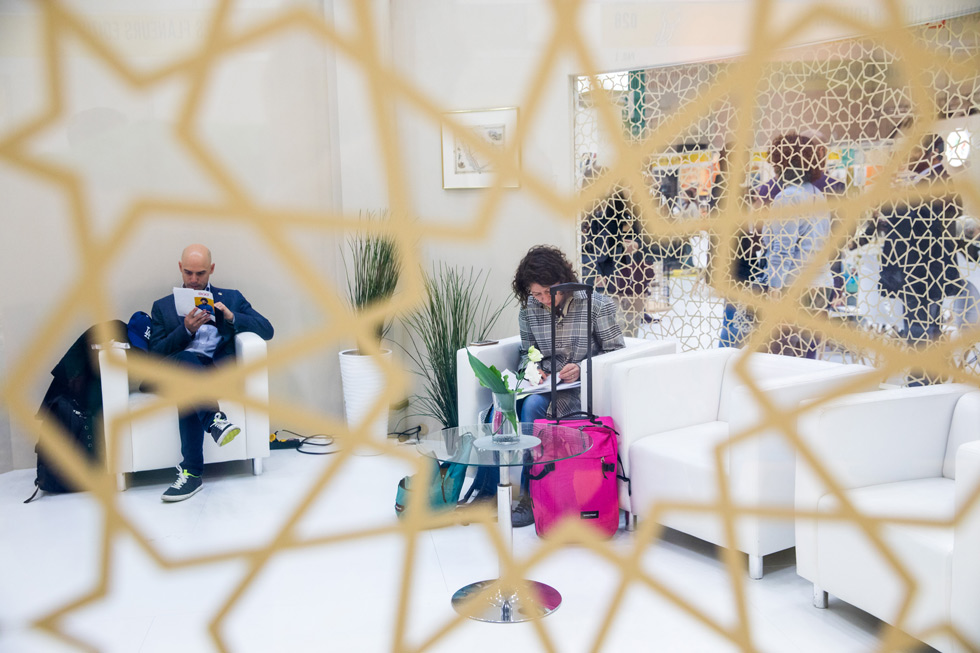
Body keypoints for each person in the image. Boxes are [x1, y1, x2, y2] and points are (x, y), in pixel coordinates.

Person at [473, 245, 625, 527]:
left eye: (548, 292)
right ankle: (488, 493)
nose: (544, 300)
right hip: (543, 386)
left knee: (531, 407)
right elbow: (526, 354)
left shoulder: (596, 305)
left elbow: (616, 353)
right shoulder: (529, 310)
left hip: (579, 390)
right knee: (497, 409)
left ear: (562, 280)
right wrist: (534, 371)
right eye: (537, 294)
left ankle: (530, 498)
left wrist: (582, 368)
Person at [150, 244, 274, 501]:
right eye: (188, 273)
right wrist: (185, 330)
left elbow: (267, 329)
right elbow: (155, 355)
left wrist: (231, 317)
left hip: (214, 373)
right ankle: (215, 421)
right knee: (186, 367)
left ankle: (191, 474)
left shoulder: (230, 298)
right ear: (180, 268)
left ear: (212, 269)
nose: (194, 280)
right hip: (177, 370)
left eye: (201, 273)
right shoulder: (163, 306)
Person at [878, 133, 963, 385]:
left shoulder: (935, 182)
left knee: (920, 327)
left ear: (931, 154)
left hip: (922, 267)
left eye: (914, 152)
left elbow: (910, 221)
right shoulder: (928, 181)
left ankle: (921, 380)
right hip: (922, 266)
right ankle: (931, 376)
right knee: (926, 325)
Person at [762, 133, 834, 358]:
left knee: (785, 359)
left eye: (776, 163)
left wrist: (774, 290)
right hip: (821, 286)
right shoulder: (817, 195)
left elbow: (781, 250)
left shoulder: (788, 198)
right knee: (807, 358)